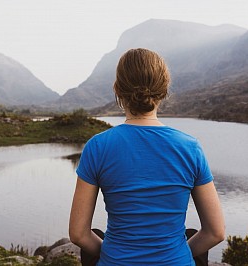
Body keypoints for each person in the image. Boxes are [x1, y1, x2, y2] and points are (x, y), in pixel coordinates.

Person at [69, 48, 225, 265]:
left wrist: (109, 253)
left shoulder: (97, 147)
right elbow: (215, 233)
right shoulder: (190, 147)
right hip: (176, 261)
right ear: (164, 89)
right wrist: (180, 254)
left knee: (95, 235)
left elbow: (78, 234)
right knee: (190, 233)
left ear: (117, 89)